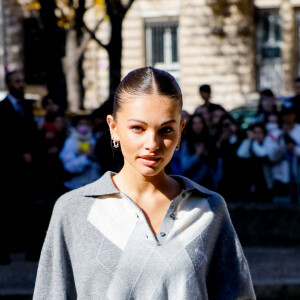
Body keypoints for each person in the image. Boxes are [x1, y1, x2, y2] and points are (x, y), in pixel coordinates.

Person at [33, 67, 255, 299]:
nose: (152, 143)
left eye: (166, 129)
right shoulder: (74, 210)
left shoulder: (209, 209)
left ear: (180, 131)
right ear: (113, 127)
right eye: (138, 128)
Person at [0, 70, 38, 263]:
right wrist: (20, 154)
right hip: (9, 169)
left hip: (27, 170)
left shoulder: (27, 107)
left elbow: (31, 135)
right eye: (17, 81)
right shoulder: (2, 109)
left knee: (28, 209)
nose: (21, 85)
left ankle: (31, 251)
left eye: (22, 81)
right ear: (9, 85)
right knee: (6, 210)